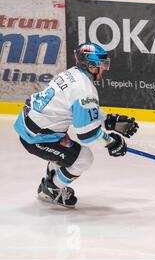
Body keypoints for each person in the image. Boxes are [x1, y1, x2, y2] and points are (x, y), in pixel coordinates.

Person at [13, 42, 139, 208]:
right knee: (84, 159)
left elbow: (78, 110)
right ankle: (51, 188)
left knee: (68, 148)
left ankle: (52, 174)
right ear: (91, 65)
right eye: (102, 64)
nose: (104, 68)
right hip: (37, 138)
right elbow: (87, 134)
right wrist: (112, 143)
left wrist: (109, 120)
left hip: (32, 126)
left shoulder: (72, 74)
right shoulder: (84, 89)